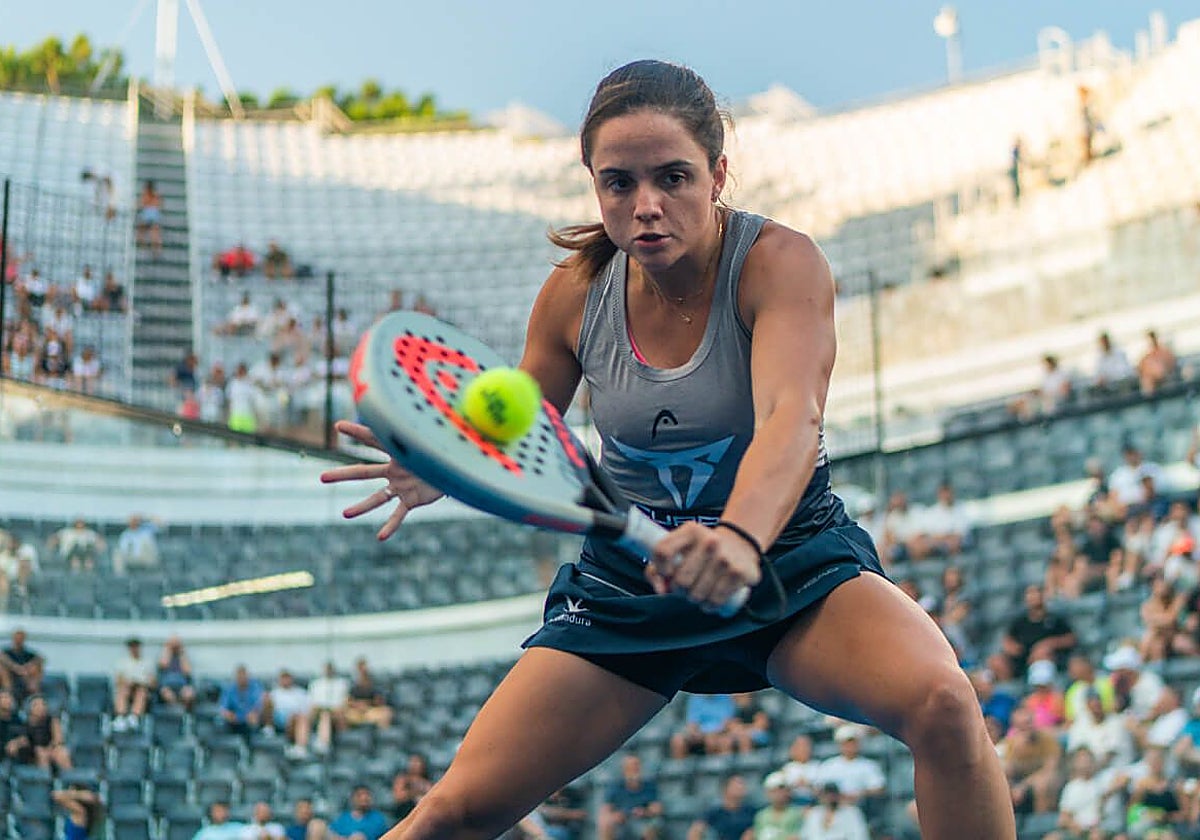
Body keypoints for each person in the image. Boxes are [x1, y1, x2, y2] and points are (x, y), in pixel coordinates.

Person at [321, 59, 1014, 840]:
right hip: (631, 584)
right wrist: (442, 458)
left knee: (947, 707)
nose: (647, 206)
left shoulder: (780, 264)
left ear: (718, 174)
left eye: (673, 177)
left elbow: (793, 418)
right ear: (594, 185)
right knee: (452, 812)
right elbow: (520, 421)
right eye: (619, 183)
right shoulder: (573, 295)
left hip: (787, 560)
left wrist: (740, 540)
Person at [987, 584, 1076, 682]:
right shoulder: (1020, 621)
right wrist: (1011, 647)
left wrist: (1048, 644)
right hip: (1022, 657)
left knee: (1041, 656)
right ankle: (1007, 689)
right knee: (995, 661)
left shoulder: (1054, 619)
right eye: (1030, 594)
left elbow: (1070, 639)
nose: (1032, 597)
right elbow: (1008, 639)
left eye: (1035, 593)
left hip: (1046, 657)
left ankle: (1041, 689)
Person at [597, 754, 663, 840]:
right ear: (624, 770)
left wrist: (645, 812)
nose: (633, 769)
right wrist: (615, 816)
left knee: (651, 827)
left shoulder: (649, 786)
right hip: (622, 822)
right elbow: (604, 811)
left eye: (636, 766)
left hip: (642, 821)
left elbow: (657, 809)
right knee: (605, 823)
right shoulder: (615, 787)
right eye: (629, 767)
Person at [817, 726, 885, 806]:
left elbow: (879, 788)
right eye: (846, 743)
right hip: (833, 807)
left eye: (853, 743)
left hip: (859, 807)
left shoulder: (868, 765)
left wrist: (859, 794)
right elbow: (819, 788)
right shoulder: (828, 765)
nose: (849, 747)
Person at [686, 775, 756, 840]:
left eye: (742, 784)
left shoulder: (751, 811)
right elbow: (696, 829)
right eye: (736, 785)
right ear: (725, 788)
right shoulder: (715, 811)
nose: (740, 788)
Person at [670, 693, 736, 756]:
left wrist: (713, 733)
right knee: (677, 740)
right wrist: (697, 733)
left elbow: (727, 721)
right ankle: (680, 765)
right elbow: (692, 723)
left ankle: (715, 765)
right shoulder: (695, 699)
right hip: (700, 733)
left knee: (716, 741)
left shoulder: (726, 698)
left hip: (720, 732)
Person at [112, 637, 155, 732]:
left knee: (141, 691)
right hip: (127, 688)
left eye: (136, 646)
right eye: (132, 646)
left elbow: (153, 683)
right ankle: (121, 717)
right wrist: (128, 682)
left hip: (142, 689)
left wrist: (140, 682)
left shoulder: (147, 662)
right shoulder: (122, 662)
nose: (134, 649)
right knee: (122, 690)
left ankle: (134, 717)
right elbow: (118, 681)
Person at [266, 669, 312, 758]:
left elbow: (307, 709)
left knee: (300, 717)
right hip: (279, 719)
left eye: (287, 678)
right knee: (266, 700)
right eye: (283, 678)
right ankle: (269, 728)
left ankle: (300, 748)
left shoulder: (301, 693)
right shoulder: (274, 693)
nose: (285, 681)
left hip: (297, 718)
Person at [798, 783, 869, 840]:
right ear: (822, 796)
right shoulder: (814, 813)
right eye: (827, 794)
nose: (830, 797)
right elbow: (805, 835)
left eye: (833, 794)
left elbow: (860, 835)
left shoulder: (852, 812)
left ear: (839, 795)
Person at [307, 661, 349, 755]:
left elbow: (344, 704)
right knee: (322, 715)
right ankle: (302, 746)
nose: (328, 671)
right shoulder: (315, 685)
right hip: (318, 713)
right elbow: (312, 704)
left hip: (337, 715)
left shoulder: (342, 684)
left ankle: (323, 743)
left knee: (326, 715)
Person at [218, 665, 266, 741]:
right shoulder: (229, 689)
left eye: (244, 676)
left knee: (254, 721)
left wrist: (254, 713)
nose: (242, 679)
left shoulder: (255, 687)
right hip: (234, 720)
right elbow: (223, 708)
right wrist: (229, 715)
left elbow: (259, 703)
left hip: (251, 719)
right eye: (239, 676)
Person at [751, 773, 802, 840]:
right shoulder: (761, 816)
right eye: (774, 791)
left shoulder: (797, 814)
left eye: (781, 790)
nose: (778, 794)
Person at [0, 628, 45, 703]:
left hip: (25, 676)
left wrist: (27, 667)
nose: (19, 640)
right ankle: (8, 693)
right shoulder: (6, 651)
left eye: (21, 638)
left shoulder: (27, 653)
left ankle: (34, 694)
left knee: (35, 668)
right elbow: (2, 657)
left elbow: (40, 658)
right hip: (9, 676)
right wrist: (15, 668)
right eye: (17, 637)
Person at [157, 635, 197, 710]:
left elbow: (187, 671)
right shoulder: (164, 655)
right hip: (167, 687)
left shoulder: (183, 656)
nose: (174, 647)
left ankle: (187, 715)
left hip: (182, 686)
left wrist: (181, 652)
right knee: (167, 694)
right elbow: (163, 665)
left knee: (189, 694)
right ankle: (178, 713)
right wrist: (168, 649)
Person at [136, 180, 163, 259]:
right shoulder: (156, 195)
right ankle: (156, 250)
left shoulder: (146, 195)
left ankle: (144, 246)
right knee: (154, 233)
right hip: (153, 215)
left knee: (145, 231)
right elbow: (160, 205)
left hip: (148, 215)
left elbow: (141, 205)